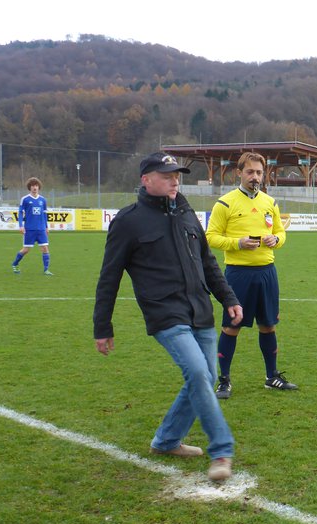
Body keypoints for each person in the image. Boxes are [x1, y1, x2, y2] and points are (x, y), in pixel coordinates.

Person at [93, 152, 240, 482]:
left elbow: (208, 263)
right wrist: (102, 326)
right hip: (165, 314)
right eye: (167, 175)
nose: (175, 180)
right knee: (199, 373)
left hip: (200, 310)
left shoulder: (187, 213)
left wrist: (228, 297)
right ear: (146, 180)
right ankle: (222, 451)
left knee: (202, 376)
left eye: (178, 175)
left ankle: (166, 441)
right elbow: (109, 276)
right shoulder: (128, 221)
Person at [205, 151, 296, 398]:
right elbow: (210, 237)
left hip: (267, 272)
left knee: (268, 326)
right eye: (250, 172)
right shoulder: (225, 203)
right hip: (238, 275)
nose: (255, 177)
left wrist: (276, 239)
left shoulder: (270, 203)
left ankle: (272, 376)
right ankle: (223, 380)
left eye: (258, 172)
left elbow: (281, 233)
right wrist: (238, 243)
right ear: (239, 172)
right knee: (231, 327)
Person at [12, 177, 54, 275]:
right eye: (32, 186)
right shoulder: (25, 199)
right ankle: (15, 263)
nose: (34, 188)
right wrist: (21, 226)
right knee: (26, 250)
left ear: (39, 187)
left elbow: (44, 214)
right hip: (30, 229)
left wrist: (46, 227)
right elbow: (20, 212)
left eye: (36, 186)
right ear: (29, 187)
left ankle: (46, 270)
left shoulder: (43, 200)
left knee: (45, 248)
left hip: (41, 229)